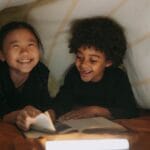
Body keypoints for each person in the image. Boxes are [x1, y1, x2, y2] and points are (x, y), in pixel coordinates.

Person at [52, 16, 139, 121]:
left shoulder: (117, 78)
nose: (83, 65)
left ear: (108, 61)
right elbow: (62, 102)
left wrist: (95, 111)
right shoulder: (73, 74)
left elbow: (129, 111)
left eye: (93, 60)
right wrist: (51, 114)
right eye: (79, 57)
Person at [0, 21, 53, 131]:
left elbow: (44, 104)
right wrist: (17, 116)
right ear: (2, 55)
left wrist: (37, 113)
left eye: (31, 45)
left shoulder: (40, 72)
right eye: (15, 46)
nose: (25, 52)